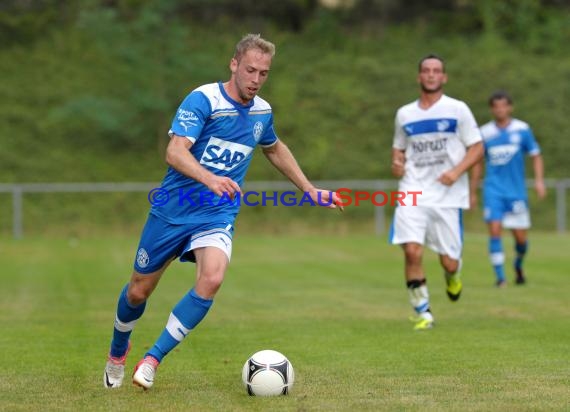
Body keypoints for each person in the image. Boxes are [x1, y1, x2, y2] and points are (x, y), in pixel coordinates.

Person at [103, 34, 342, 390]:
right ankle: (117, 353)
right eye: (250, 70)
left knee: (212, 278)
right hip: (173, 210)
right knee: (138, 292)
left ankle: (152, 359)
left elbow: (274, 148)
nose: (256, 79)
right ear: (234, 64)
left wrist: (309, 189)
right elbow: (175, 152)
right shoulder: (204, 100)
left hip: (216, 215)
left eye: (263, 73)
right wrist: (210, 178)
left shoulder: (262, 111)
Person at [390, 54, 484, 330]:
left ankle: (452, 276)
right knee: (412, 251)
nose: (431, 75)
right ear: (419, 77)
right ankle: (422, 311)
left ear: (444, 77)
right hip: (412, 191)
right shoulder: (405, 113)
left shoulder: (458, 109)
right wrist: (396, 162)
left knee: (450, 262)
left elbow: (477, 147)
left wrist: (456, 172)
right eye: (426, 71)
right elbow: (399, 148)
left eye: (436, 71)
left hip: (447, 195)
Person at [471, 90, 545, 287]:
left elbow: (535, 155)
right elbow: (477, 162)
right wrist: (472, 191)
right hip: (493, 190)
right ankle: (500, 278)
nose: (500, 110)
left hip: (516, 192)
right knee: (494, 231)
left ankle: (518, 264)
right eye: (496, 106)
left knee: (520, 239)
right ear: (492, 109)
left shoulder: (522, 129)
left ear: (510, 107)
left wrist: (539, 181)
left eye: (503, 105)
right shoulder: (485, 132)